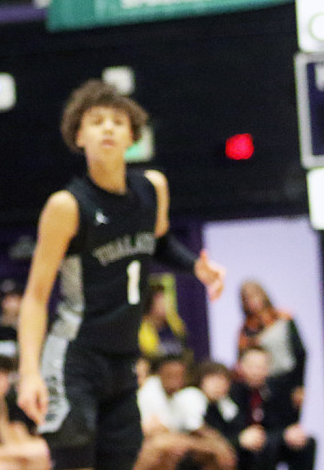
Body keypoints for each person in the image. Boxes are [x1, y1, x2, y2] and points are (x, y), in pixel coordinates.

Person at [16, 79, 226, 470]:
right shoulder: (67, 206)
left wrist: (195, 267)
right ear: (79, 136)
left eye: (118, 121)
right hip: (74, 357)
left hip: (124, 360)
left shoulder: (152, 188)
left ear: (133, 135)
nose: (108, 128)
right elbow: (35, 296)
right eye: (96, 121)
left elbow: (157, 242)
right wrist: (29, 373)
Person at [135, 356, 235, 470]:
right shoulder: (150, 391)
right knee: (165, 447)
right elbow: (157, 434)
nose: (175, 380)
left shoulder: (182, 395)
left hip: (175, 444)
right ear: (159, 374)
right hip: (141, 446)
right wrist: (214, 447)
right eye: (170, 375)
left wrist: (218, 445)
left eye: (179, 376)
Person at [226, 346, 315, 470]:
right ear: (240, 366)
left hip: (271, 440)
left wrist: (290, 433)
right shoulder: (230, 391)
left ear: (268, 369)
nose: (256, 372)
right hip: (242, 445)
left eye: (261, 367)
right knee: (260, 447)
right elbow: (226, 428)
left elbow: (285, 423)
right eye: (252, 366)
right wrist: (240, 438)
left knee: (306, 443)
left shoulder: (277, 389)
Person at [236, 280, 307, 411]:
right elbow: (241, 361)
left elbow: (300, 352)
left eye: (255, 296)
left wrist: (300, 386)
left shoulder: (283, 318)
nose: (253, 302)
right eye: (247, 299)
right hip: (263, 387)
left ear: (263, 295)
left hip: (288, 381)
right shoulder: (246, 331)